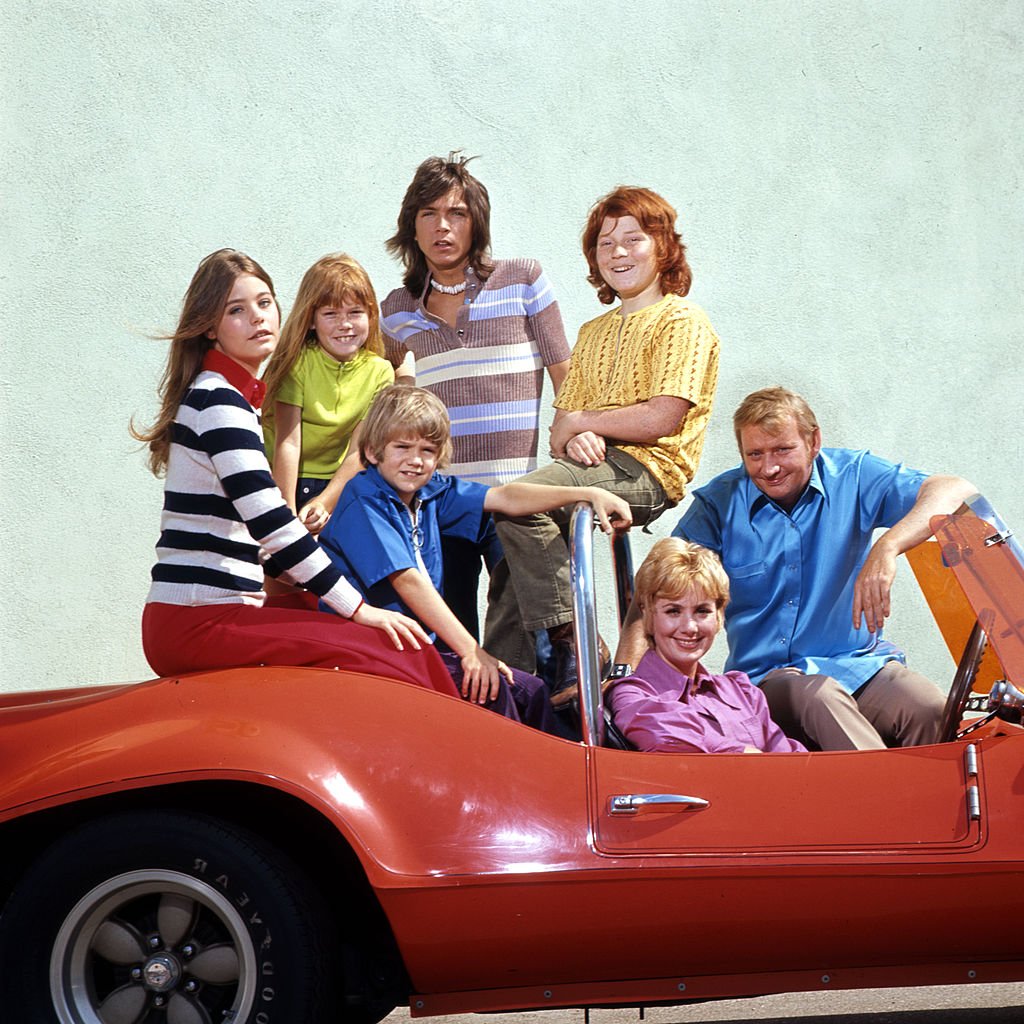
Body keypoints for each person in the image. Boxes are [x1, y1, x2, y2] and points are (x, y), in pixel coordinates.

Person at [132, 248, 458, 696]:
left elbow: (249, 534)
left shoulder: (231, 397)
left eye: (264, 303)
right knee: (394, 648)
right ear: (210, 327)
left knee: (341, 621)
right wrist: (358, 608)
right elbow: (271, 522)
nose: (258, 318)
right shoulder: (219, 402)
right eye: (237, 310)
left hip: (214, 612)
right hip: (199, 620)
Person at [618, 386, 975, 751]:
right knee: (821, 699)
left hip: (860, 665)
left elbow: (955, 490)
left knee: (932, 708)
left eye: (782, 450)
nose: (768, 468)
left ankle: (926, 805)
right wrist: (623, 679)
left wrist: (889, 545)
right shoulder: (719, 504)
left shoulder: (854, 477)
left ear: (813, 440)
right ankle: (883, 804)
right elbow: (655, 586)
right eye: (754, 455)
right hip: (769, 680)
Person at [485, 186, 720, 686]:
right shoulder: (593, 331)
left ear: (663, 247)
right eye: (605, 243)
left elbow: (662, 417)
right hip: (594, 464)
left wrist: (583, 425)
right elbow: (563, 424)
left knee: (522, 504)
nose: (618, 252)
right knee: (512, 538)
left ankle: (575, 645)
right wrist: (576, 436)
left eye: (632, 239)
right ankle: (510, 681)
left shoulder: (682, 319)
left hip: (649, 470)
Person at [318, 385, 633, 732]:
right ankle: (506, 778)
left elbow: (505, 497)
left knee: (532, 690)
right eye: (402, 447)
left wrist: (587, 492)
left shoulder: (428, 493)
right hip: (372, 650)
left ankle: (559, 774)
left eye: (427, 450)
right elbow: (406, 579)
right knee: (491, 692)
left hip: (416, 649)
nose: (416, 459)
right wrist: (471, 650)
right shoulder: (364, 500)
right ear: (374, 452)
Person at [380, 152, 572, 648]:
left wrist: (573, 436)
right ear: (412, 227)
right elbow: (386, 378)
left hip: (519, 499)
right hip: (441, 499)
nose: (442, 227)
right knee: (452, 640)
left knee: (528, 642)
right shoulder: (396, 311)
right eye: (429, 215)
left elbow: (565, 373)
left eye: (456, 214)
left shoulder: (523, 279)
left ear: (476, 223)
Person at [610, 539, 805, 754]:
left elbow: (789, 758)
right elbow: (671, 741)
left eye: (702, 611)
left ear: (719, 616)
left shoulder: (743, 691)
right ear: (648, 614)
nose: (690, 627)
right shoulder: (631, 694)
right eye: (673, 611)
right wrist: (747, 755)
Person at [261, 253, 394, 534]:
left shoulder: (379, 372)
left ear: (371, 315)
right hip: (284, 479)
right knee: (280, 572)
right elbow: (288, 443)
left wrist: (323, 503)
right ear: (311, 320)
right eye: (331, 314)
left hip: (339, 483)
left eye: (355, 313)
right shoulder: (297, 363)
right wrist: (286, 513)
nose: (344, 324)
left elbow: (359, 452)